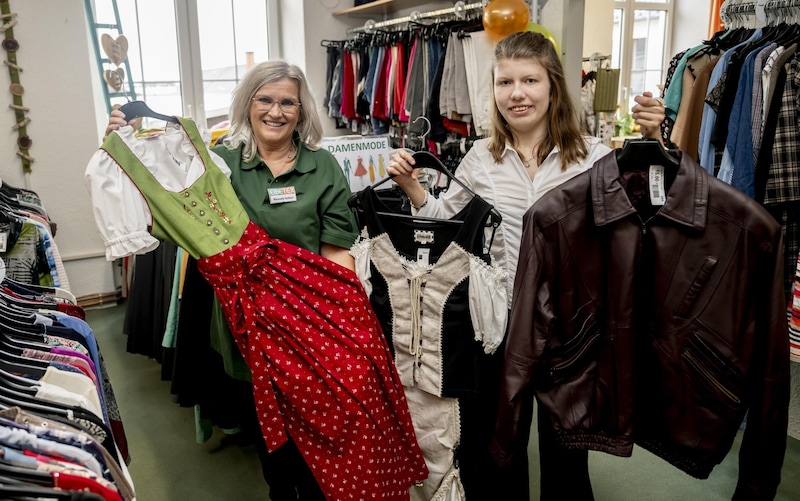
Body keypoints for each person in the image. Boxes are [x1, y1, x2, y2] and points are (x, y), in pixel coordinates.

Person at [102, 61, 426, 500]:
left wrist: (331, 328)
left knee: (327, 446)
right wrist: (120, 147)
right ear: (248, 104)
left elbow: (338, 252)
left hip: (314, 327)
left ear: (301, 109)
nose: (276, 111)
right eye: (265, 100)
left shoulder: (322, 166)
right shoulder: (217, 164)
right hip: (247, 330)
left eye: (287, 102)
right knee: (277, 455)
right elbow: (168, 218)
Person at [387, 31, 666, 500]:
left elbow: (651, 216)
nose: (516, 94)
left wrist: (655, 140)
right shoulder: (481, 157)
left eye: (530, 80)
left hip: (569, 331)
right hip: (499, 327)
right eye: (504, 82)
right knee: (498, 450)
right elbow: (453, 232)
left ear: (552, 86)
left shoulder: (594, 159)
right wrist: (416, 190)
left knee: (566, 456)